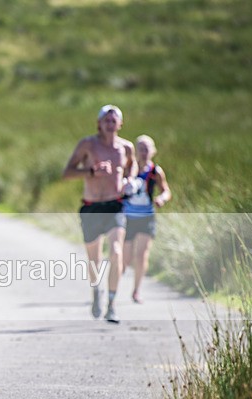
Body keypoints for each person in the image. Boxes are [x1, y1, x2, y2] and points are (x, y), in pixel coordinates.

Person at [62, 105, 137, 324]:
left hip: (115, 205)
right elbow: (67, 172)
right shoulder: (88, 145)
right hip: (91, 206)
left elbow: (132, 167)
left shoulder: (125, 148)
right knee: (94, 259)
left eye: (114, 121)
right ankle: (97, 292)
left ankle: (112, 304)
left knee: (115, 252)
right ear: (99, 123)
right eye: (106, 120)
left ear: (120, 124)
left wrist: (130, 180)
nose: (110, 125)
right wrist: (91, 171)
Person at [122, 134, 171, 304]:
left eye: (147, 148)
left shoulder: (155, 171)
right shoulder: (128, 169)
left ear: (153, 151)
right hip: (128, 217)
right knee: (125, 258)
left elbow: (166, 190)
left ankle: (136, 291)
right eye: (140, 148)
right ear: (135, 151)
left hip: (146, 217)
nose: (143, 152)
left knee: (142, 255)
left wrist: (162, 199)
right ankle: (112, 284)